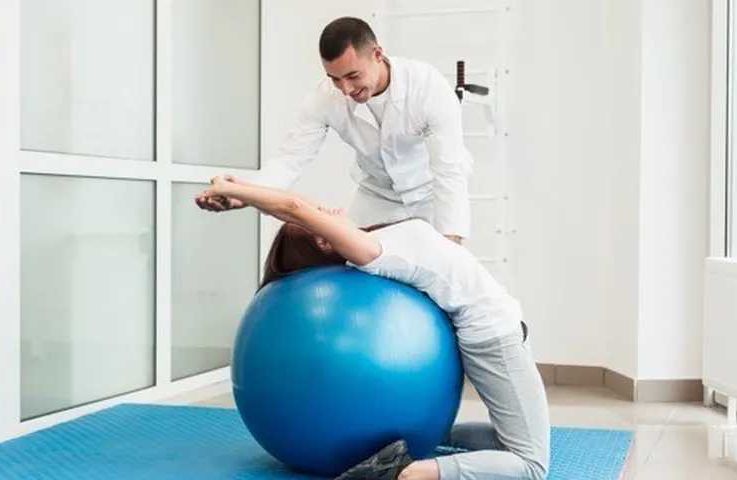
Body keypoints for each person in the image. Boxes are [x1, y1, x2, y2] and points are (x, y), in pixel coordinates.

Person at [195, 176, 550, 480]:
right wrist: (232, 187)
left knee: (519, 441)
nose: (323, 208)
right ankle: (417, 472)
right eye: (318, 219)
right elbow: (294, 208)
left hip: (493, 332)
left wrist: (242, 196)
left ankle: (402, 448)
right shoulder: (369, 251)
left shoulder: (370, 237)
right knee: (532, 464)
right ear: (323, 239)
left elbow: (295, 210)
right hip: (495, 337)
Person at [196, 16, 473, 244]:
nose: (346, 89)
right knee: (345, 262)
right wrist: (241, 194)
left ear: (378, 54)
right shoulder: (326, 98)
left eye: (353, 76)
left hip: (430, 198)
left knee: (444, 282)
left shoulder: (427, 87)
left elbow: (449, 171)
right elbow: (289, 161)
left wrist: (452, 242)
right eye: (335, 78)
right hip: (375, 196)